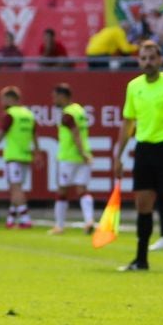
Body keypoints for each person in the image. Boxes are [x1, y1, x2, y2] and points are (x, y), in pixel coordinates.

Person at [114, 40, 163, 272]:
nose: (148, 62)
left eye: (152, 58)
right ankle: (141, 260)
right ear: (139, 61)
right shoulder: (134, 86)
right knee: (143, 204)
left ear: (160, 60)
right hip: (144, 150)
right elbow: (128, 122)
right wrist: (118, 155)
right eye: (143, 58)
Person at [49, 82, 94, 234]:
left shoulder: (67, 114)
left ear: (63, 96)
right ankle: (89, 221)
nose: (53, 100)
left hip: (69, 156)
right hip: (84, 155)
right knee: (83, 190)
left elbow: (75, 134)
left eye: (55, 97)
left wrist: (81, 152)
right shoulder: (80, 110)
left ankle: (59, 226)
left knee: (62, 191)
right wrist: (85, 154)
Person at [0, 85, 38, 229]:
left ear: (10, 99)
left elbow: (1, 134)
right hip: (25, 156)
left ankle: (25, 219)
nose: (2, 103)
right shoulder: (28, 114)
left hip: (13, 156)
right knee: (17, 188)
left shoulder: (10, 114)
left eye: (3, 99)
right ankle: (11, 218)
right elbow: (34, 135)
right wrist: (37, 152)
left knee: (15, 189)